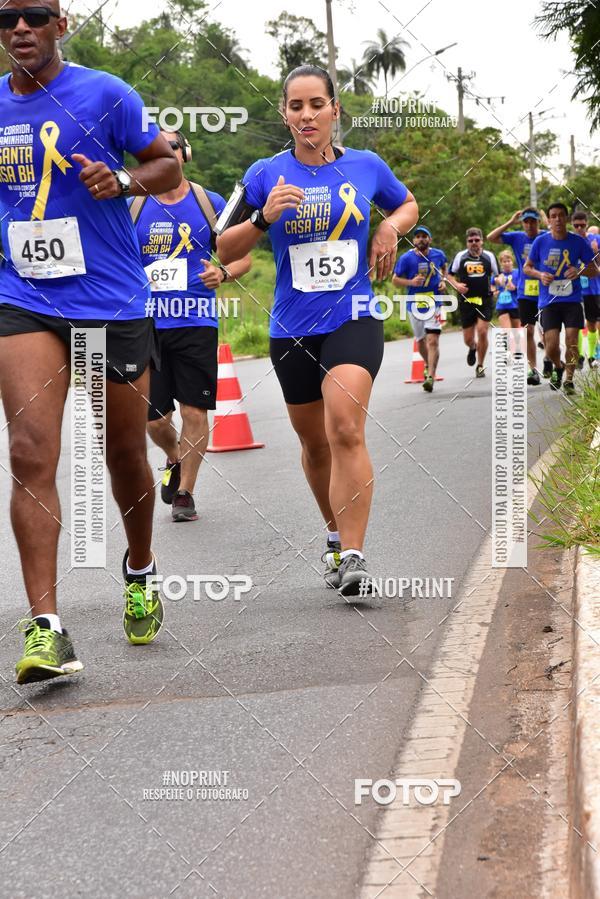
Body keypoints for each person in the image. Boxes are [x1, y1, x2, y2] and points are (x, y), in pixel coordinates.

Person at [0, 2, 181, 683]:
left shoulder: (107, 95)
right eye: (6, 16)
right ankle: (47, 628)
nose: (19, 27)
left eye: (34, 14)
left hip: (109, 300)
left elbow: (167, 168)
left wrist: (125, 180)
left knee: (124, 451)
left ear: (60, 25)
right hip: (25, 297)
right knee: (28, 450)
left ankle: (139, 567)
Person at [217, 64, 418, 596]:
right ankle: (334, 536)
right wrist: (263, 218)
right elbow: (220, 248)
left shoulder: (367, 166)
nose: (306, 115)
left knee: (345, 425)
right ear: (284, 115)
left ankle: (354, 554)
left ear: (335, 111)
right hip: (290, 326)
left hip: (353, 315)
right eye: (295, 106)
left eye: (316, 105)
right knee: (314, 443)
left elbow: (407, 203)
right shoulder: (264, 173)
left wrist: (388, 227)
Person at [130, 130, 251, 522]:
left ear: (185, 155)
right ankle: (174, 457)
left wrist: (223, 273)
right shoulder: (133, 206)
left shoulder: (208, 203)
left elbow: (242, 257)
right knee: (155, 420)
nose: (168, 154)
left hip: (196, 320)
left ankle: (185, 494)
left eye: (173, 148)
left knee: (195, 412)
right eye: (159, 150)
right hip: (147, 323)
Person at [523, 203, 598, 395]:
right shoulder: (540, 242)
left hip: (572, 300)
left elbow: (594, 270)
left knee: (572, 340)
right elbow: (527, 267)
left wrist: (579, 269)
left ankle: (569, 381)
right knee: (551, 345)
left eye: (561, 216)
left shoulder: (578, 242)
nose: (557, 219)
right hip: (549, 301)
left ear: (566, 219)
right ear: (548, 220)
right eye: (553, 216)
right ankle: (558, 366)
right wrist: (540, 275)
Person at [487, 208, 548, 383]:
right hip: (525, 291)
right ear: (523, 223)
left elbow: (559, 236)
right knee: (528, 330)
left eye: (533, 221)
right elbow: (491, 237)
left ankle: (549, 360)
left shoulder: (546, 236)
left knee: (549, 331)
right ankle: (533, 370)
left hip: (545, 289)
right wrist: (510, 222)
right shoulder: (517, 237)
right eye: (526, 222)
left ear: (537, 222)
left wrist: (545, 219)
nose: (529, 225)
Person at [392, 226, 447, 392]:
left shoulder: (438, 254)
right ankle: (428, 364)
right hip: (414, 304)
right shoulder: (406, 259)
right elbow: (395, 280)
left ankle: (430, 376)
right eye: (418, 237)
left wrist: (443, 280)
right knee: (420, 340)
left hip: (434, 302)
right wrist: (411, 283)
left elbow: (444, 267)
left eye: (424, 236)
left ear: (429, 239)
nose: (421, 239)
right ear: (414, 240)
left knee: (433, 340)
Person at [448, 228, 497, 377]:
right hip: (466, 301)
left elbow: (498, 275)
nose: (474, 243)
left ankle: (480, 365)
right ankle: (473, 347)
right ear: (467, 242)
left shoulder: (489, 256)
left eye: (476, 240)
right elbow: (449, 275)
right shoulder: (460, 257)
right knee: (468, 339)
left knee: (482, 331)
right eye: (470, 241)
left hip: (485, 300)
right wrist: (456, 285)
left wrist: (496, 285)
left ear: (481, 241)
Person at [571, 211, 600, 368]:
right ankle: (580, 356)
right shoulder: (568, 240)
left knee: (591, 323)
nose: (580, 228)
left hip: (592, 289)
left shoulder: (596, 240)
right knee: (576, 325)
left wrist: (596, 253)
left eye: (582, 225)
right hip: (574, 289)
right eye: (576, 226)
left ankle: (592, 356)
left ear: (587, 224)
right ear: (572, 225)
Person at [492, 251, 521, 328]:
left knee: (517, 334)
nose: (507, 263)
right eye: (504, 262)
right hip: (502, 306)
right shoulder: (497, 274)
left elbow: (523, 288)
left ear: (512, 262)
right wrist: (494, 291)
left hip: (515, 305)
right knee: (507, 332)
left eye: (508, 261)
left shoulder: (518, 273)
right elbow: (492, 286)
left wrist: (515, 288)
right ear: (501, 263)